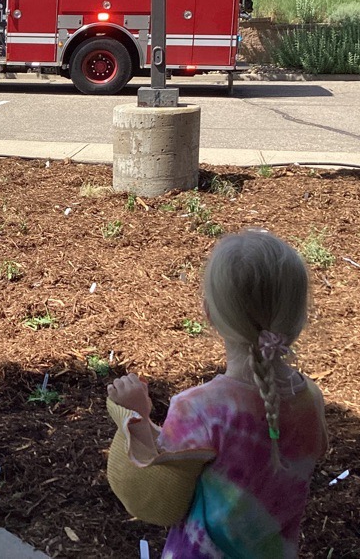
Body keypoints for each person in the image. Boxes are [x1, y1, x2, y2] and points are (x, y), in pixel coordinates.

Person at [106, 229, 328, 559]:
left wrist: (134, 417)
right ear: (297, 319)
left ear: (209, 313)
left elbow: (159, 497)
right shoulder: (310, 398)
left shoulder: (198, 409)